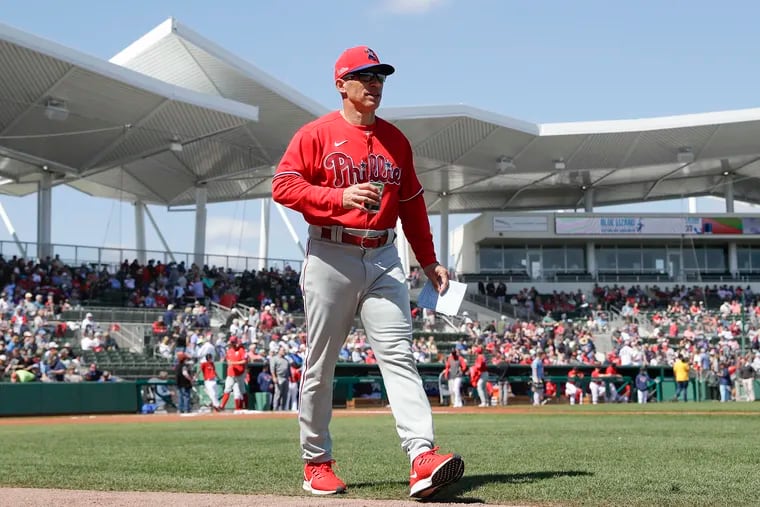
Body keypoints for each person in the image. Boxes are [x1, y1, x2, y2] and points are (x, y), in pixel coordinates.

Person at [271, 45, 464, 498]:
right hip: (331, 254)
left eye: (380, 76)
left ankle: (422, 456)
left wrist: (429, 259)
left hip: (384, 257)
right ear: (342, 84)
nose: (374, 83)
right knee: (321, 363)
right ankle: (316, 461)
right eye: (364, 76)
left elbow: (413, 205)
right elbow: (283, 184)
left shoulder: (396, 140)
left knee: (398, 355)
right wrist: (337, 199)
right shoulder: (316, 133)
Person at [220, 336, 247, 410]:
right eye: (231, 342)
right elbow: (228, 361)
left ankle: (244, 406)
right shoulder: (229, 351)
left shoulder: (241, 350)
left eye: (233, 342)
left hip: (239, 374)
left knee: (241, 391)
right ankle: (221, 406)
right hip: (231, 374)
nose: (232, 344)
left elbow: (244, 361)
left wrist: (234, 363)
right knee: (227, 389)